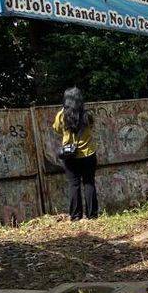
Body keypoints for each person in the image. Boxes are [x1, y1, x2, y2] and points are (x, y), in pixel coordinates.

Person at [52, 87, 98, 221]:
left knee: (74, 184)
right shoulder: (87, 114)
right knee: (89, 183)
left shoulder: (61, 114)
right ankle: (92, 215)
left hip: (70, 155)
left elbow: (56, 129)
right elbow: (92, 126)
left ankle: (76, 216)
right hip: (88, 154)